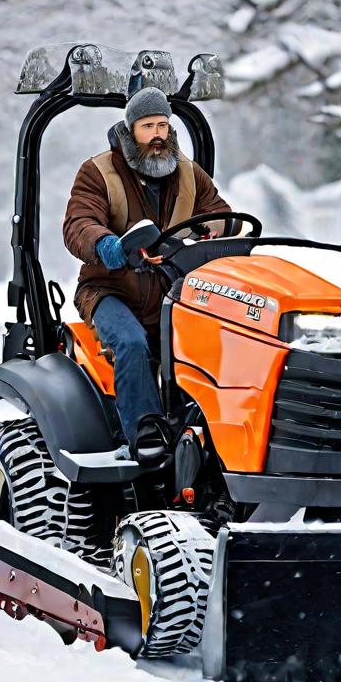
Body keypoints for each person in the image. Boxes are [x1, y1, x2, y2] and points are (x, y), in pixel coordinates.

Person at [63, 86, 231, 452]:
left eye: (163, 125)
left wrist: (215, 229)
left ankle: (208, 437)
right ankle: (147, 436)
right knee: (132, 343)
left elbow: (221, 215)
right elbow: (79, 222)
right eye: (148, 126)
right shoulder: (98, 172)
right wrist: (106, 244)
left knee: (214, 345)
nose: (157, 135)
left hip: (174, 290)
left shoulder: (188, 173)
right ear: (130, 130)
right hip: (110, 290)